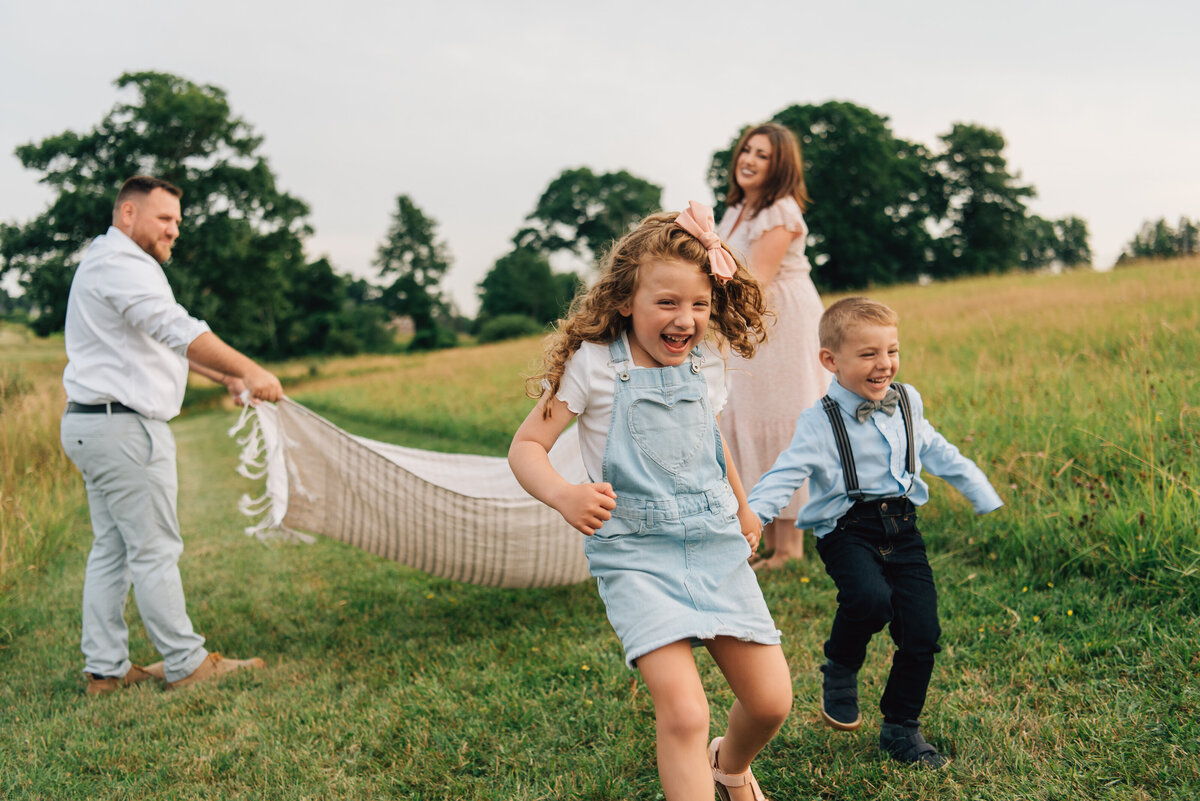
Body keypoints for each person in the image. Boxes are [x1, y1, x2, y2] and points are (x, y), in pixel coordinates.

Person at [509, 203, 791, 800]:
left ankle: (731, 767)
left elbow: (709, 441)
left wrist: (742, 505)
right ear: (623, 302)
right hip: (637, 555)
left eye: (698, 304)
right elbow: (527, 446)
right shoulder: (592, 366)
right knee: (685, 712)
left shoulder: (705, 362)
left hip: (713, 542)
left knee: (770, 702)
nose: (685, 319)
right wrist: (564, 495)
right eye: (667, 303)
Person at [747, 297, 1003, 768]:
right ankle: (840, 667)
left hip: (903, 526)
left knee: (922, 631)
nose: (883, 363)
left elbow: (937, 450)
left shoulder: (908, 401)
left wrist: (979, 489)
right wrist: (753, 518)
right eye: (867, 354)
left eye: (892, 351)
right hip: (847, 530)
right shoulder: (819, 420)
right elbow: (786, 473)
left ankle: (901, 729)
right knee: (869, 600)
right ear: (831, 360)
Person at [60, 175, 284, 695]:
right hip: (123, 428)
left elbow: (151, 343)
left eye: (178, 222)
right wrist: (250, 369)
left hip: (95, 423)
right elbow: (176, 328)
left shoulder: (110, 263)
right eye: (164, 219)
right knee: (155, 549)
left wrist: (224, 376)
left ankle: (105, 671)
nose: (174, 231)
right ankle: (186, 663)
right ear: (128, 214)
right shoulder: (120, 265)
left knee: (112, 549)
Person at [717, 122, 831, 571]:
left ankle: (790, 547)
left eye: (762, 155)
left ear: (779, 165)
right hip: (748, 321)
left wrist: (714, 315)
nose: (748, 159)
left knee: (783, 421)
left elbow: (755, 278)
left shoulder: (780, 211)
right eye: (746, 149)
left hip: (779, 321)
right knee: (746, 416)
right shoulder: (738, 209)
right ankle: (763, 535)